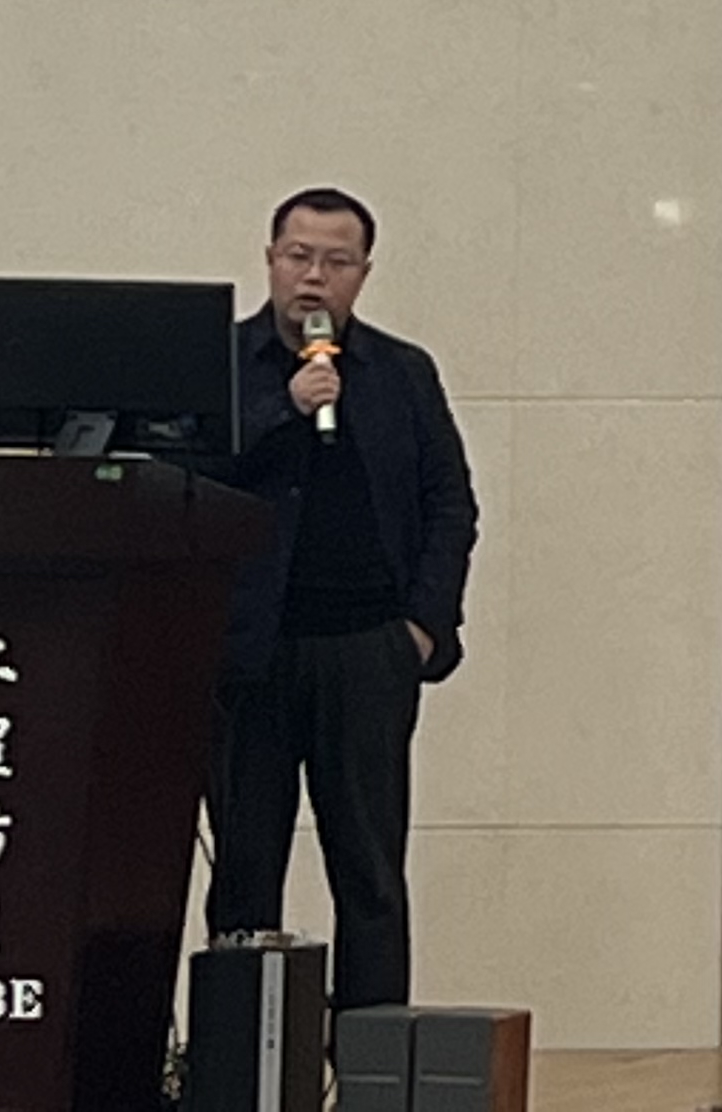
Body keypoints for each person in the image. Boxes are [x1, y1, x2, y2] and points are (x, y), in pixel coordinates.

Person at [202, 188, 478, 1013]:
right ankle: (240, 1063)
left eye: (336, 261)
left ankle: (369, 1059)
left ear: (363, 273)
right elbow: (189, 476)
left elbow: (450, 503)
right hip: (248, 655)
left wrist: (422, 628)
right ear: (270, 260)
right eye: (299, 257)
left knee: (370, 872)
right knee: (245, 869)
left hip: (367, 651)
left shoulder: (402, 373)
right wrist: (284, 410)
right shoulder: (220, 365)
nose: (314, 277)